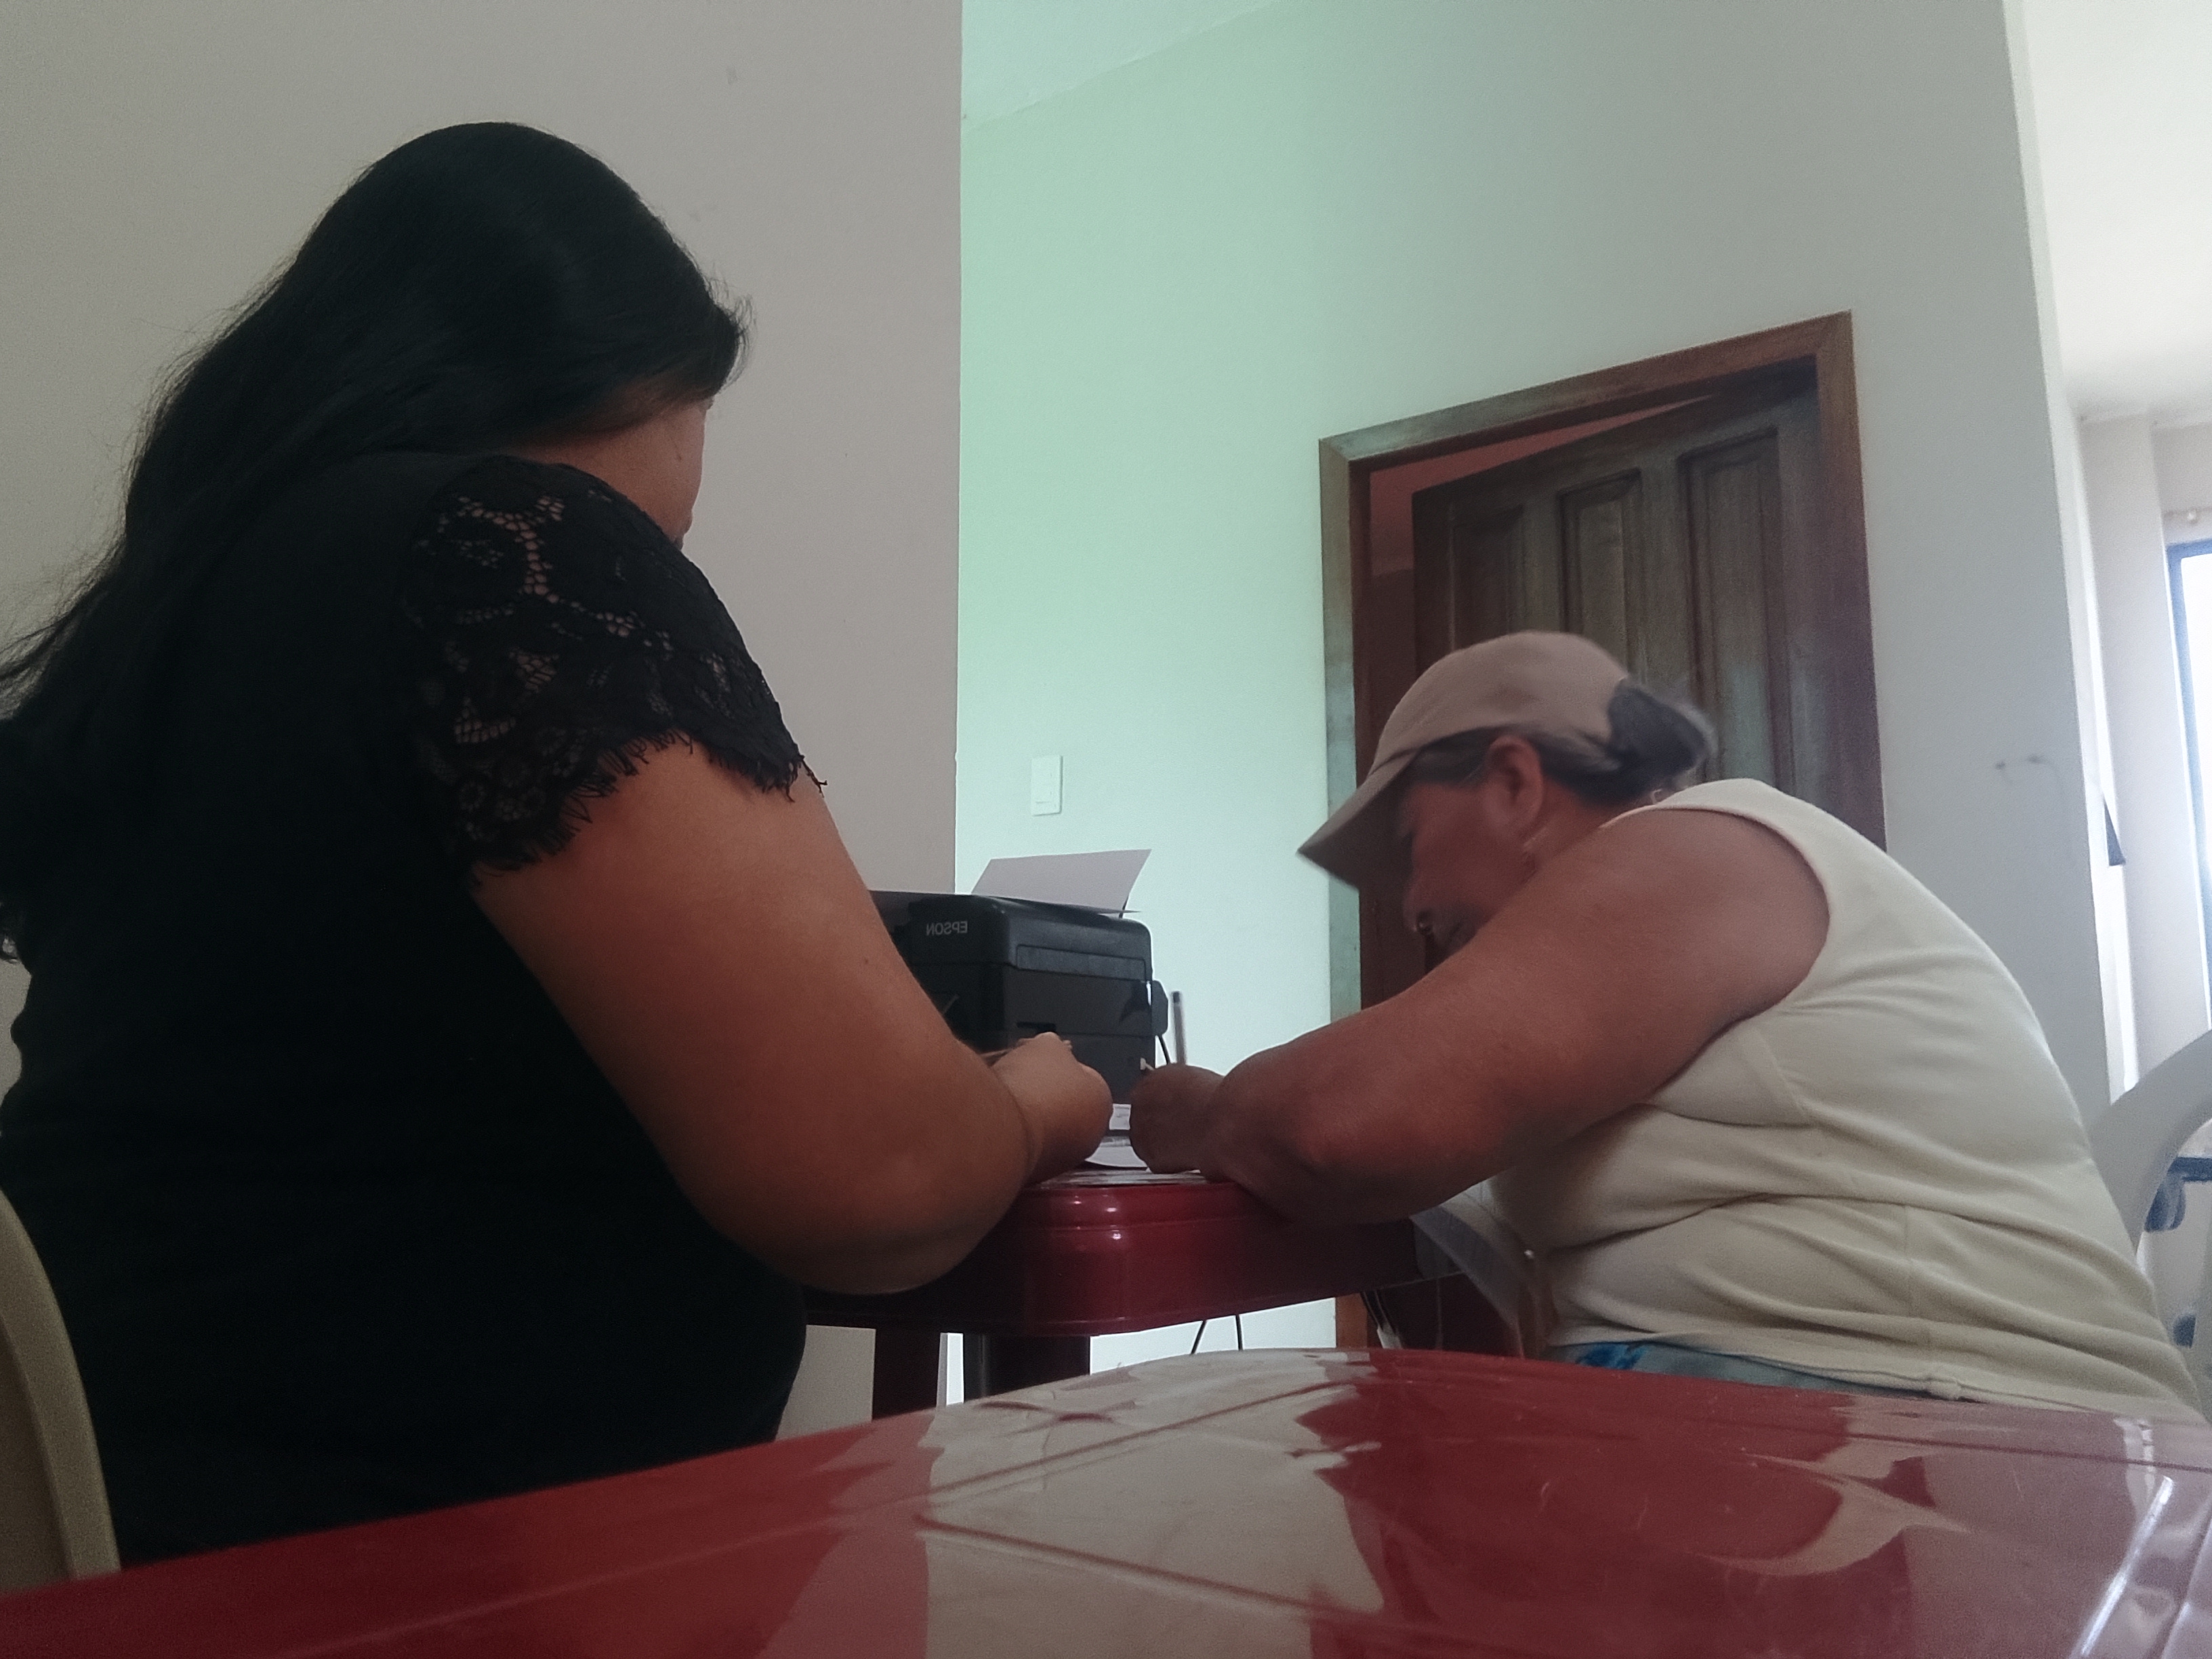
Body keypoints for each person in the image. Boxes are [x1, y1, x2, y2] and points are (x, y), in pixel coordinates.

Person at [0, 123, 1110, 1561]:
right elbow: (878, 1182)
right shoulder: (501, 544)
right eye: (647, 551)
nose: (643, 581)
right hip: (408, 1573)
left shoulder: (168, 621)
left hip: (116, 1528)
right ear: (582, 391)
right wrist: (1031, 1106)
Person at [1130, 631, 2199, 1420]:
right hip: (1860, 1425)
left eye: (1411, 846)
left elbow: (1343, 1127)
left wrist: (1204, 1109)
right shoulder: (1636, 971)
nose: (1410, 906)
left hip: (1970, 1439)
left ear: (1513, 783)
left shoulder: (1694, 850)